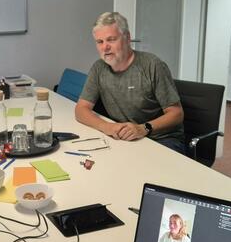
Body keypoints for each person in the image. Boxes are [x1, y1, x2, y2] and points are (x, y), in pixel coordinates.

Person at [75, 12, 186, 153]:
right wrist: (106, 126)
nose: (105, 47)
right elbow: (81, 109)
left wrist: (143, 128)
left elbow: (176, 114)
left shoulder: (152, 65)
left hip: (161, 139)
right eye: (100, 42)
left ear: (127, 38)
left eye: (111, 40)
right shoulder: (99, 68)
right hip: (126, 139)